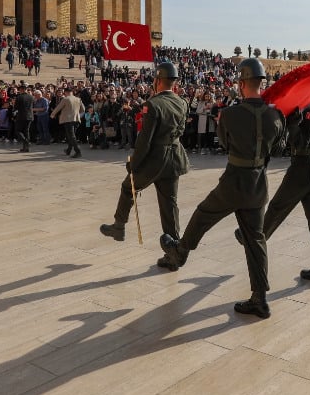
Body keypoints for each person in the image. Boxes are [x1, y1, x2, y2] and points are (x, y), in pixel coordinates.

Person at [159, 58, 285, 318]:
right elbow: (279, 148)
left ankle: (180, 252)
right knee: (256, 240)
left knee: (203, 215)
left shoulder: (229, 114)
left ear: (241, 84)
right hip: (257, 185)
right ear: (261, 83)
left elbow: (226, 145)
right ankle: (260, 299)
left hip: (233, 182)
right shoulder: (276, 115)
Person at [100, 61, 190, 270]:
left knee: (128, 187)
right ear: (174, 82)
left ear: (158, 80)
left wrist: (134, 164)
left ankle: (119, 226)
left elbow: (145, 140)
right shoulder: (182, 102)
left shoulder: (153, 104)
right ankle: (173, 252)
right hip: (174, 158)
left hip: (155, 159)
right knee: (169, 205)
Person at [247, 96, 310, 284]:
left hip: (304, 167)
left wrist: (292, 124)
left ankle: (255, 238)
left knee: (278, 207)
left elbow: (300, 143)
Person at [50, 86, 85, 158]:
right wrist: (76, 114)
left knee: (71, 136)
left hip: (68, 120)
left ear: (66, 92)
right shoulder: (78, 99)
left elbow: (58, 108)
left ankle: (78, 151)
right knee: (71, 136)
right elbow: (83, 109)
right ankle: (68, 150)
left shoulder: (65, 99)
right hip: (76, 119)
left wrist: (52, 114)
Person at [13, 87, 35, 152]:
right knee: (26, 131)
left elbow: (16, 107)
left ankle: (26, 141)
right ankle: (26, 148)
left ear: (21, 90)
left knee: (18, 130)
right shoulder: (31, 97)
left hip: (21, 116)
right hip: (30, 116)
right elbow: (33, 105)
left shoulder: (19, 97)